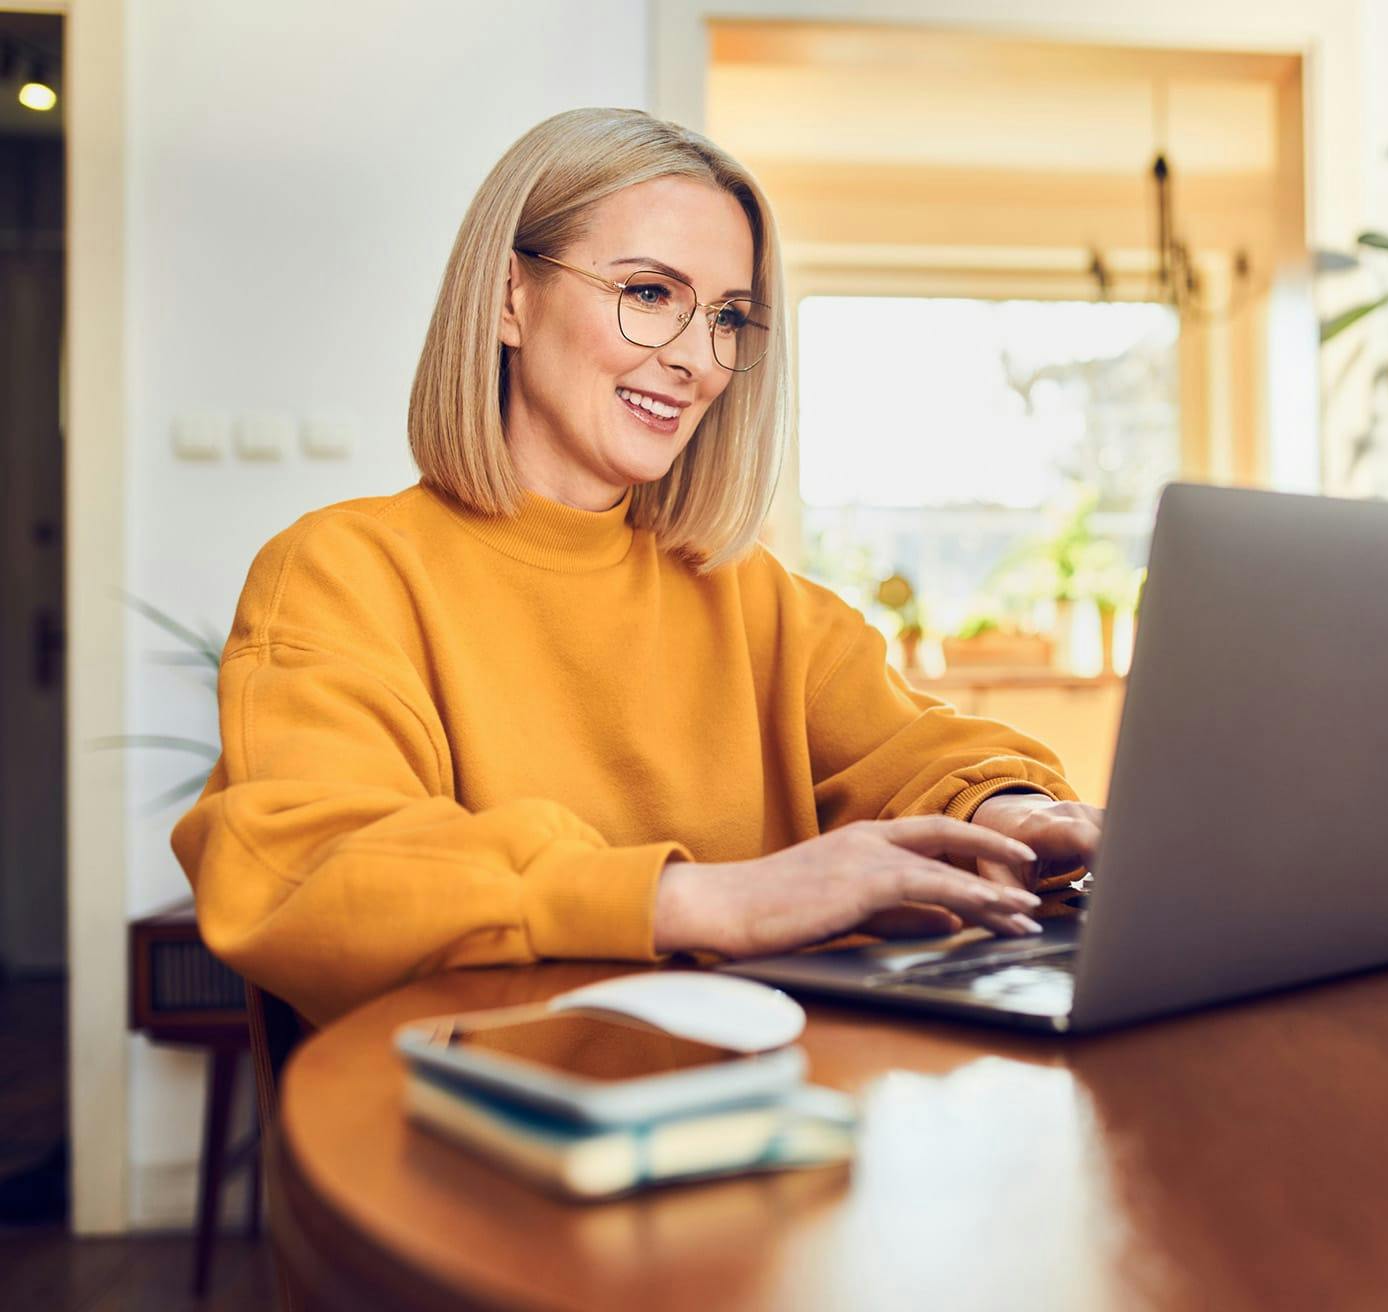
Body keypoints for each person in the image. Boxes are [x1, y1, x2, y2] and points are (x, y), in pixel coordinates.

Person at [171, 108, 1103, 1025]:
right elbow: (313, 868)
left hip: (760, 1122)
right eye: (651, 293)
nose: (697, 360)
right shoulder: (344, 573)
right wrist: (709, 902)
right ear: (509, 298)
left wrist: (1010, 812)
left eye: (727, 316)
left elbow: (922, 750)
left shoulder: (745, 592)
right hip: (472, 1136)